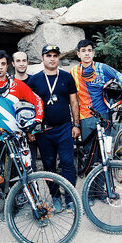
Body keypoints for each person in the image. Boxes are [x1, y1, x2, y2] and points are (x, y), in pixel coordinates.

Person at [28, 45, 80, 212]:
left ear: (59, 58)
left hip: (65, 128)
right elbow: (28, 106)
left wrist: (76, 125)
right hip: (44, 131)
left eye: (55, 55)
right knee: (48, 165)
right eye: (48, 55)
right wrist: (31, 130)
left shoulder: (67, 77)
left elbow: (74, 102)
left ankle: (70, 198)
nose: (52, 58)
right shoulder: (34, 80)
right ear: (42, 58)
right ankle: (55, 197)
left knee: (67, 164)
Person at [70, 39, 122, 146]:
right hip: (85, 118)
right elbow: (71, 97)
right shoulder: (73, 71)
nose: (87, 53)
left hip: (104, 116)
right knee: (89, 154)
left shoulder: (103, 68)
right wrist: (76, 124)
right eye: (83, 50)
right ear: (78, 54)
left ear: (93, 53)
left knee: (105, 154)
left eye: (89, 50)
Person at [0, 50, 44, 141]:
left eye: (3, 64)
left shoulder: (17, 84)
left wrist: (37, 121)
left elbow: (37, 100)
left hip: (17, 138)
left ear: (7, 66)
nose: (0, 67)